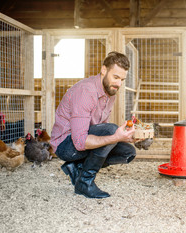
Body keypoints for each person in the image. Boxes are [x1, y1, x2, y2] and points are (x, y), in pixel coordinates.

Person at [50, 51, 137, 199]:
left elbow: (100, 128)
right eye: (116, 77)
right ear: (104, 70)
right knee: (111, 130)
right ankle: (84, 182)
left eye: (122, 79)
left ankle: (77, 167)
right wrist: (114, 136)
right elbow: (80, 142)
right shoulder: (86, 91)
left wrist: (124, 137)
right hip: (65, 145)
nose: (119, 84)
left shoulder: (110, 92)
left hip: (83, 139)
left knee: (127, 152)